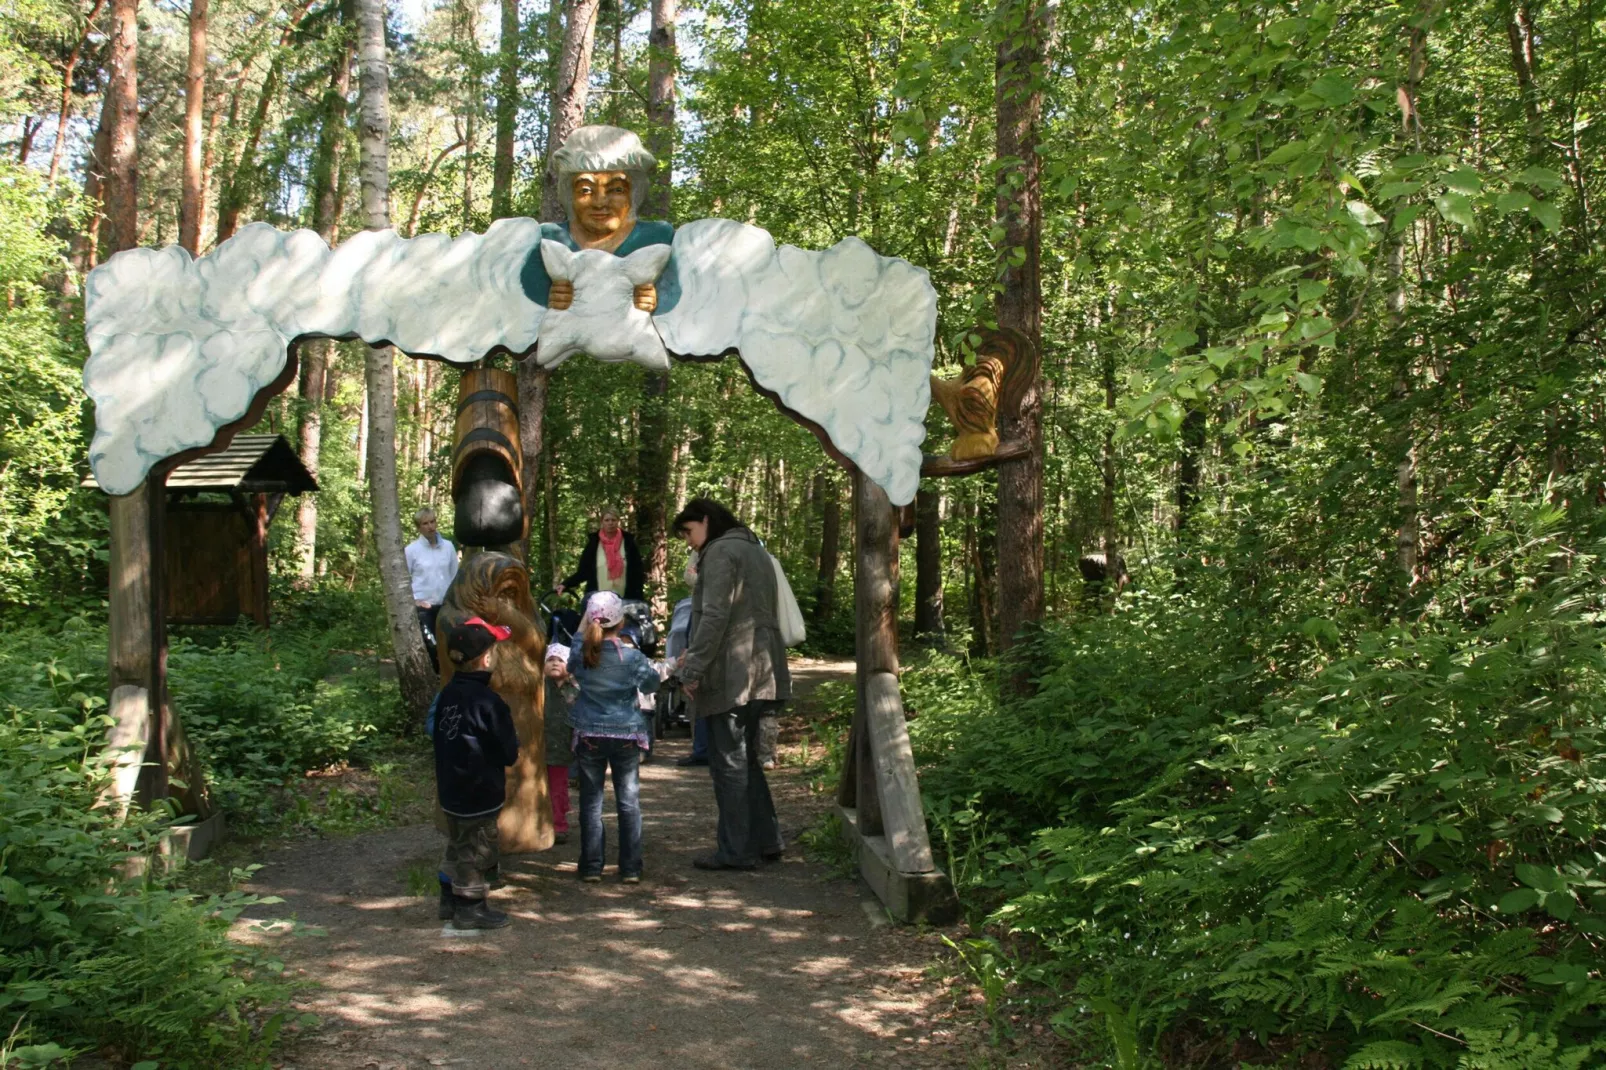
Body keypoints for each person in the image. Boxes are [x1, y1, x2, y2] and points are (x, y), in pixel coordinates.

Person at [672, 498, 791, 871]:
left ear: (706, 520)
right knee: (746, 760)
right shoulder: (754, 549)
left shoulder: (721, 552)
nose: (689, 542)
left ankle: (736, 851)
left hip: (735, 672)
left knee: (729, 763)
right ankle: (766, 840)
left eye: (689, 532)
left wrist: (692, 669)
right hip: (763, 668)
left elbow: (714, 616)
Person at [566, 592, 660, 883]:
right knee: (628, 802)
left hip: (589, 734)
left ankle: (591, 866)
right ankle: (630, 867)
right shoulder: (632, 658)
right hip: (626, 733)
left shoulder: (581, 654)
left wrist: (584, 623)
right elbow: (651, 684)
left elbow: (571, 662)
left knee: (591, 803)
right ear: (621, 623)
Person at [433, 617, 520, 930]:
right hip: (479, 792)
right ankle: (470, 907)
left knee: (457, 844)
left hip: (451, 789)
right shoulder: (489, 702)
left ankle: (448, 899)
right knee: (477, 850)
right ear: (485, 658)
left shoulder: (447, 694)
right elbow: (508, 752)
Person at [405, 507, 459, 669]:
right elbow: (403, 581)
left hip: (446, 607)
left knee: (450, 647)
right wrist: (415, 601)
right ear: (419, 527)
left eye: (432, 521)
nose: (430, 526)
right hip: (424, 609)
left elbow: (455, 576)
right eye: (425, 523)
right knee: (431, 647)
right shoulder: (411, 550)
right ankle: (434, 679)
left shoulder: (448, 547)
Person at [558, 507, 645, 603]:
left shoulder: (628, 542)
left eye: (613, 520)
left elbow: (638, 571)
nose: (610, 523)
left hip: (625, 599)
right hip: (598, 600)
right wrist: (566, 584)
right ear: (602, 522)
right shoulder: (594, 543)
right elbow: (583, 571)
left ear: (618, 521)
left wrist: (638, 596)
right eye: (607, 520)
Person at [542, 643, 577, 845]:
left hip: (562, 748)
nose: (555, 663)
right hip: (539, 748)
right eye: (550, 660)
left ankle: (559, 825)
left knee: (558, 789)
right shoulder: (539, 687)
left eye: (560, 660)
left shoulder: (575, 690)